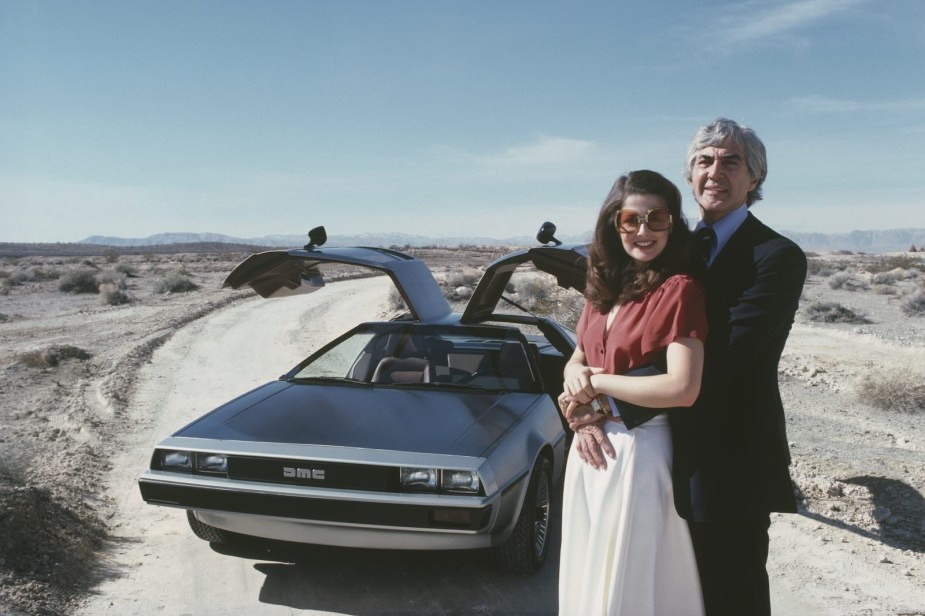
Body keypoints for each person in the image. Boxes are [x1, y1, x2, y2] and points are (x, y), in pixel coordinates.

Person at [557, 169, 708, 616]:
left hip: (639, 455)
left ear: (672, 224)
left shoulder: (680, 289)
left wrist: (596, 387)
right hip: (591, 454)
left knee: (633, 586)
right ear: (613, 224)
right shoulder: (603, 288)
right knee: (591, 575)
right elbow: (578, 358)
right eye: (630, 220)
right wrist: (576, 392)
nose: (643, 231)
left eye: (656, 218)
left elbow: (683, 388)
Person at [674, 118, 808, 615]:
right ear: (689, 176)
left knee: (731, 592)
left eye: (732, 161)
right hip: (661, 453)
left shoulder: (777, 256)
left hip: (729, 461)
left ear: (754, 179)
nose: (715, 172)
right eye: (704, 161)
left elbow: (727, 354)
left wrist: (615, 393)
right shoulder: (670, 252)